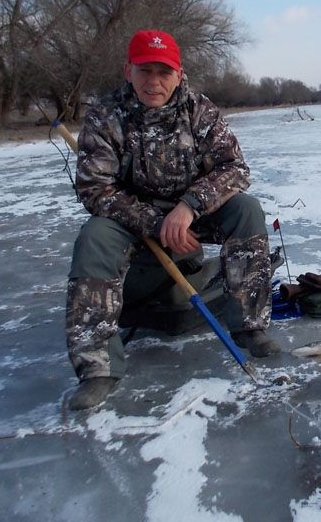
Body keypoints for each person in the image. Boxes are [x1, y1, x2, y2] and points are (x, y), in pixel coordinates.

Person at [65, 29, 280, 410]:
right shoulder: (105, 115)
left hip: (192, 211)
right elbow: (95, 188)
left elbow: (235, 168)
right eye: (145, 71)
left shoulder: (199, 109)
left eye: (164, 72)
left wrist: (190, 206)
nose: (154, 82)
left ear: (178, 74)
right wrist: (153, 222)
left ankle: (251, 327)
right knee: (94, 237)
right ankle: (98, 368)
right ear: (127, 70)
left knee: (247, 209)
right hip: (132, 219)